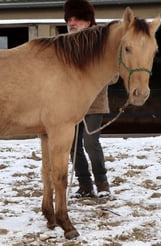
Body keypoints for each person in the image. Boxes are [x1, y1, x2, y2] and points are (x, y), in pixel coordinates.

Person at [64, 0, 111, 198]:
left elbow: (114, 74)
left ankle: (102, 183)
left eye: (77, 19)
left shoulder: (102, 43)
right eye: (69, 19)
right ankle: (85, 185)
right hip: (70, 104)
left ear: (88, 21)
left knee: (90, 142)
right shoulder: (64, 45)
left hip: (94, 103)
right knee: (73, 145)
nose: (72, 23)